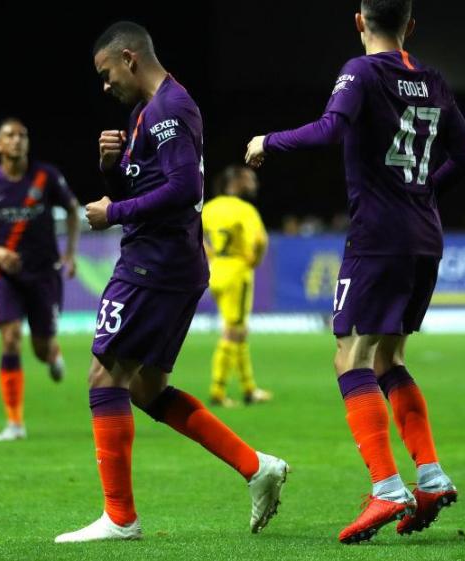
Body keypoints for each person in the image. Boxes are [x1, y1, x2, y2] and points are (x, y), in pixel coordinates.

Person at [246, 0, 465, 543]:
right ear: (411, 26)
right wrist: (421, 193)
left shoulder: (361, 71)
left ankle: (387, 487)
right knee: (389, 358)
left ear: (359, 22)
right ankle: (429, 473)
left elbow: (330, 130)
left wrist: (267, 142)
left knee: (349, 355)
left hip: (378, 238)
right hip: (425, 238)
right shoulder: (435, 80)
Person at [54, 21, 289, 543]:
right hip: (170, 264)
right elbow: (152, 186)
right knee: (146, 387)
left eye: (106, 72)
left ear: (129, 58)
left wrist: (114, 210)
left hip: (153, 265)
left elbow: (183, 190)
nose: (105, 84)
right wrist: (110, 169)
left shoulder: (169, 110)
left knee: (103, 378)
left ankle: (119, 518)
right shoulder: (143, 114)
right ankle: (257, 467)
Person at [0, 118, 80, 442]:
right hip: (7, 274)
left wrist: (69, 254)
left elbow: (72, 210)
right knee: (10, 338)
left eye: (22, 136)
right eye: (9, 136)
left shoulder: (46, 177)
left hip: (44, 274)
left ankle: (53, 353)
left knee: (40, 349)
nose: (16, 140)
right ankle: (15, 423)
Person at [202, 165, 272, 407]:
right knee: (233, 331)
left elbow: (194, 236)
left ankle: (249, 389)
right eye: (249, 180)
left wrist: (210, 254)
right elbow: (261, 240)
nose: (253, 184)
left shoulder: (209, 208)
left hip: (216, 270)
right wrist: (255, 260)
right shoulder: (244, 210)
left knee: (240, 331)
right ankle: (218, 390)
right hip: (237, 272)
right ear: (237, 183)